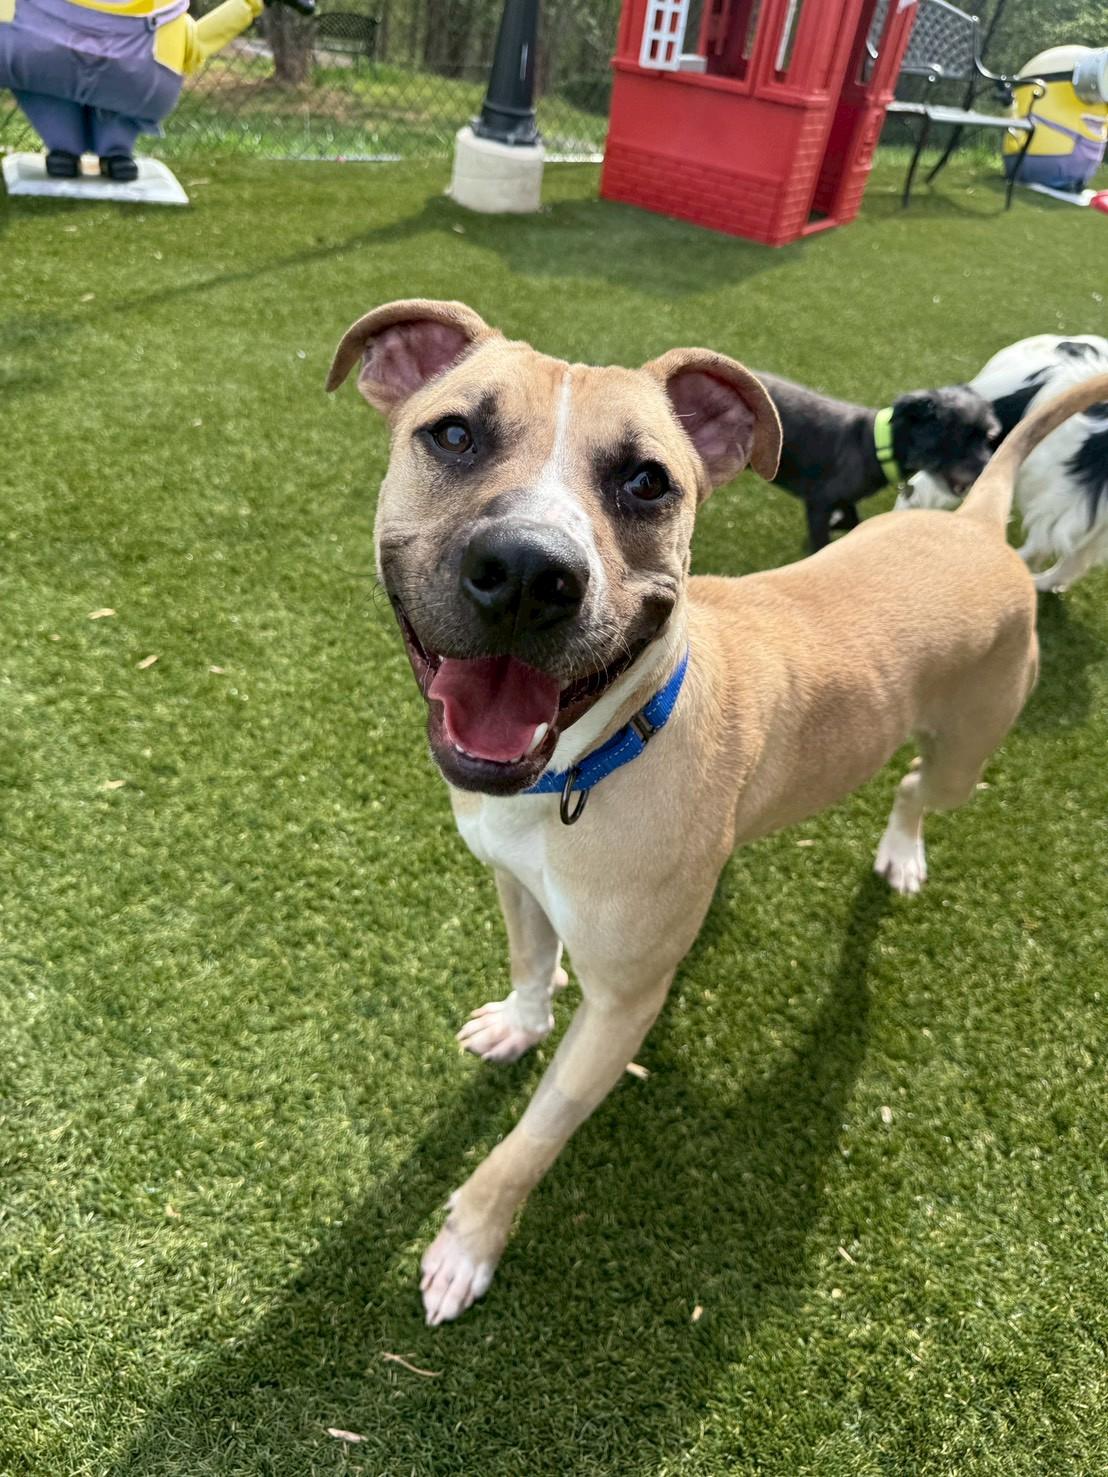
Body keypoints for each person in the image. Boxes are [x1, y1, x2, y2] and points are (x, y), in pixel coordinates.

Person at [0, 0, 314, 182]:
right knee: (123, 92)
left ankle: (66, 149)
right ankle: (113, 151)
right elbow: (201, 40)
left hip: (41, 49)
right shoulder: (168, 27)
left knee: (42, 72)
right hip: (142, 63)